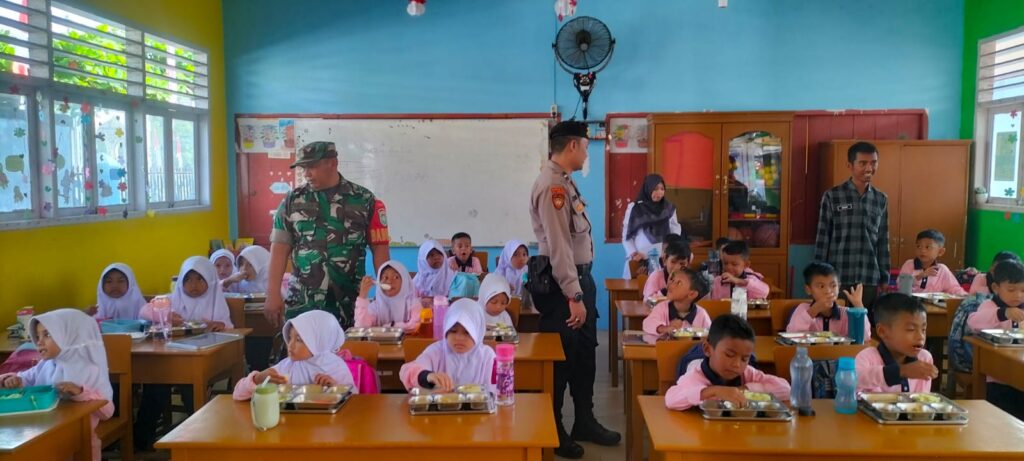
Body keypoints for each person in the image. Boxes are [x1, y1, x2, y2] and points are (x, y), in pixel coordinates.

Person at [527, 120, 619, 458]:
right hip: (563, 287)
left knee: (584, 355)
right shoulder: (552, 185)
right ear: (572, 146)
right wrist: (574, 294)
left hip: (580, 280)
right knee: (561, 359)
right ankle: (554, 429)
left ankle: (585, 421)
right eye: (585, 146)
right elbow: (559, 246)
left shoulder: (565, 181)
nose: (586, 153)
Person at [265, 141, 391, 329]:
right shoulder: (292, 200)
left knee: (349, 347)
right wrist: (272, 293)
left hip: (349, 302)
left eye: (312, 166)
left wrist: (386, 293)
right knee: (300, 347)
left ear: (333, 163)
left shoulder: (365, 200)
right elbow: (279, 250)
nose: (306, 173)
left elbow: (380, 249)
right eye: (303, 168)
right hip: (304, 301)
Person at [0, 309, 114, 461]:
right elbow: (25, 378)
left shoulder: (90, 369)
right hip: (41, 433)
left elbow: (107, 411)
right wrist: (12, 380)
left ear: (68, 336)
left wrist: (80, 392)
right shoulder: (47, 364)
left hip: (78, 442)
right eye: (37, 336)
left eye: (47, 335)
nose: (39, 342)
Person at [814, 141, 890, 317]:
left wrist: (885, 276)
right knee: (835, 323)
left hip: (869, 279)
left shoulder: (881, 199)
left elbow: (883, 240)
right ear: (850, 165)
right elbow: (823, 238)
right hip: (837, 278)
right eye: (862, 163)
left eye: (873, 163)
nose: (869, 168)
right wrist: (818, 277)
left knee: (863, 326)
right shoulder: (832, 196)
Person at [664, 314, 790, 410]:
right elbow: (671, 399)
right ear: (707, 349)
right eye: (729, 355)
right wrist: (714, 391)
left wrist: (745, 389)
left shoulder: (747, 373)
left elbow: (785, 389)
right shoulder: (695, 376)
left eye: (744, 359)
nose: (737, 364)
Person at [233, 310, 356, 399]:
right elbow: (238, 394)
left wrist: (336, 388)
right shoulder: (288, 366)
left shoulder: (337, 368)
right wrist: (257, 379)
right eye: (290, 337)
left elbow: (355, 403)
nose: (290, 345)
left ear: (319, 342)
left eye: (298, 340)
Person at [399, 299, 496, 394]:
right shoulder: (437, 351)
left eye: (467, 332)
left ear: (477, 332)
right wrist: (427, 376)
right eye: (453, 331)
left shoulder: (487, 356)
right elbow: (407, 371)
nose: (459, 338)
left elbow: (495, 392)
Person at [967, 259, 1024, 419]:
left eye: (1023, 290)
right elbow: (973, 322)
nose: (1018, 295)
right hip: (996, 377)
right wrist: (1002, 313)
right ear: (996, 288)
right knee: (1002, 412)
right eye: (1011, 290)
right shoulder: (989, 306)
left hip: (1018, 370)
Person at [854, 293, 936, 393]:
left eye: (923, 329)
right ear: (882, 331)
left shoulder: (924, 358)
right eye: (911, 329)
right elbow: (854, 380)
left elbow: (922, 398)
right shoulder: (867, 358)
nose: (921, 336)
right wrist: (901, 371)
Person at [140, 256, 233, 331]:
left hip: (210, 345)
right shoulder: (172, 300)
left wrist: (221, 325)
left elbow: (228, 326)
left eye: (200, 279)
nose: (193, 284)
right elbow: (143, 311)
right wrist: (166, 315)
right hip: (176, 345)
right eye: (188, 279)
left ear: (210, 280)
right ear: (181, 281)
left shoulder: (217, 302)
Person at [786, 262, 871, 340]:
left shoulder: (846, 313)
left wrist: (859, 306)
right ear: (808, 289)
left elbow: (865, 337)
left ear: (839, 287)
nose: (828, 291)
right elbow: (792, 336)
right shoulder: (803, 309)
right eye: (821, 286)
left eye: (833, 286)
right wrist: (813, 311)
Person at [621, 174, 682, 278]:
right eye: (655, 189)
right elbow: (626, 236)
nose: (659, 192)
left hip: (662, 259)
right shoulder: (635, 208)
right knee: (637, 286)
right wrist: (633, 253)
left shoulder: (668, 208)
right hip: (640, 260)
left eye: (662, 189)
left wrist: (671, 250)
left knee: (660, 285)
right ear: (648, 189)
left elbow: (675, 231)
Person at [355, 260, 421, 333]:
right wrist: (363, 296)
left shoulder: (413, 304)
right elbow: (362, 327)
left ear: (404, 281)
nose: (389, 281)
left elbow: (415, 325)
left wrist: (389, 326)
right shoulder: (376, 306)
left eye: (396, 277)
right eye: (385, 277)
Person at [642, 268, 711, 336]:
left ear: (692, 294)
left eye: (679, 283)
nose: (671, 284)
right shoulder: (662, 308)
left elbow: (711, 335)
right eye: (673, 280)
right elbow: (647, 324)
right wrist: (664, 328)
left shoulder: (702, 314)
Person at [898, 229, 967, 296]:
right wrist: (921, 275)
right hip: (910, 302)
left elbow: (954, 288)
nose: (922, 250)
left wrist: (966, 296)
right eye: (918, 246)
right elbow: (902, 287)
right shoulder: (909, 265)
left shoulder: (942, 269)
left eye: (927, 247)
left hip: (933, 303)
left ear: (940, 252)